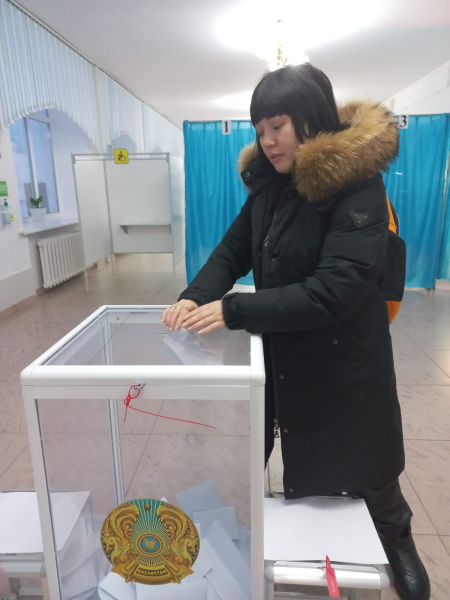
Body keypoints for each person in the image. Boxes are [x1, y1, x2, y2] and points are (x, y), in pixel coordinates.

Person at [162, 64, 430, 600]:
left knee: (369, 462)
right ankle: (306, 543)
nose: (267, 141)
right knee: (301, 454)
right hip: (285, 341)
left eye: (277, 127)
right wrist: (195, 294)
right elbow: (233, 249)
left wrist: (236, 309)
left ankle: (396, 536)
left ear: (310, 119)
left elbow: (335, 289)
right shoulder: (270, 185)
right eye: (259, 130)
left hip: (346, 353)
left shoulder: (358, 185)